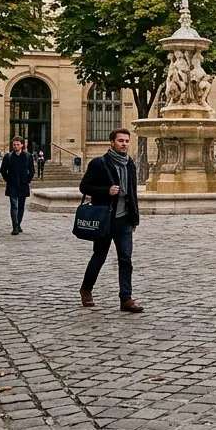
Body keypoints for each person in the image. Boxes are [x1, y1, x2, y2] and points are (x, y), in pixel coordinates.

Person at [79, 128, 144, 313]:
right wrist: (106, 191)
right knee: (99, 256)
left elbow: (132, 192)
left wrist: (134, 218)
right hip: (105, 219)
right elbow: (84, 186)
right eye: (120, 141)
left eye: (126, 141)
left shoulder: (130, 163)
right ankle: (86, 289)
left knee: (126, 259)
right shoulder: (100, 163)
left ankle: (126, 298)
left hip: (124, 220)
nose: (124, 144)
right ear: (112, 142)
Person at [1, 136, 34, 234]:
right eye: (14, 144)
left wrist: (27, 180)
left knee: (21, 206)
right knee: (14, 206)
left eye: (17, 144)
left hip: (23, 185)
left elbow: (32, 170)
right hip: (12, 185)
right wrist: (8, 180)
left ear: (22, 145)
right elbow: (3, 170)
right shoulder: (8, 156)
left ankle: (18, 224)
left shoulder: (28, 156)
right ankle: (15, 226)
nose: (15, 146)